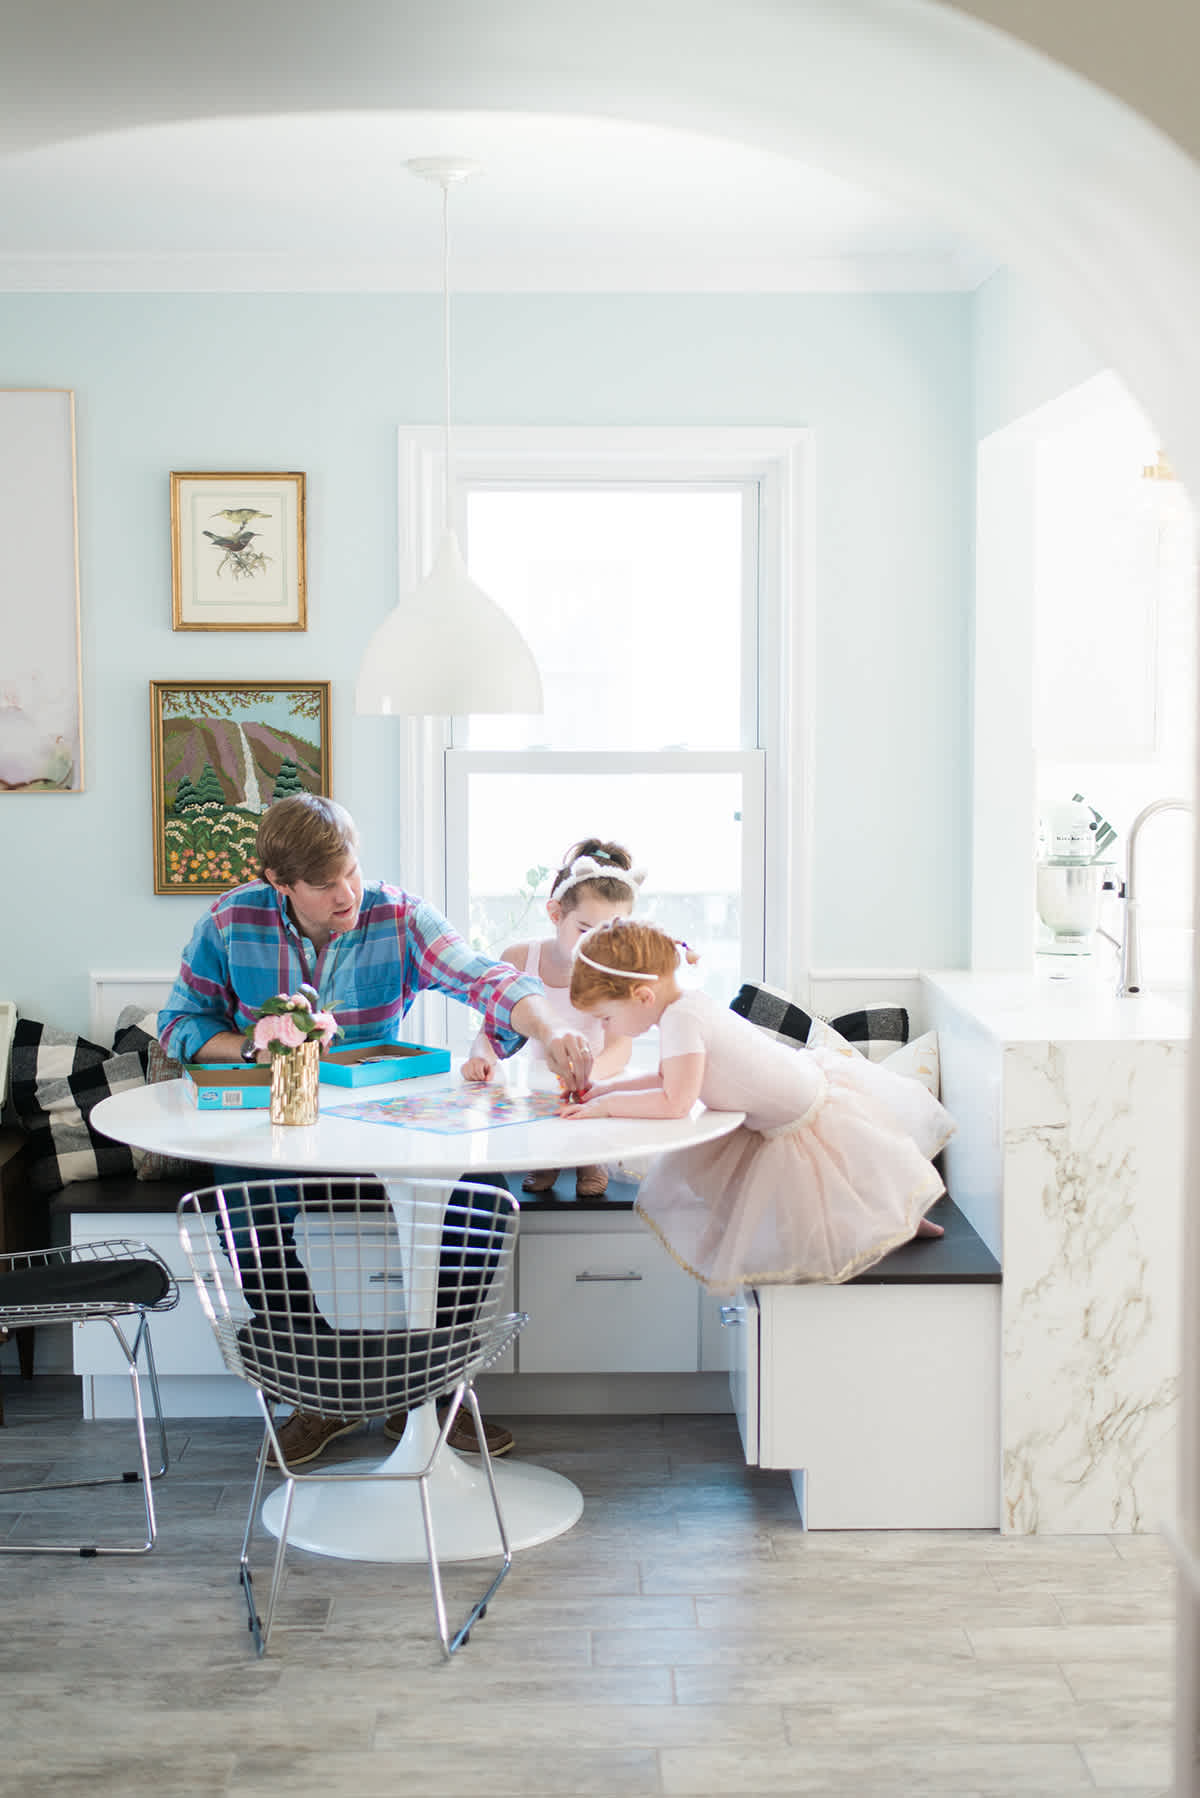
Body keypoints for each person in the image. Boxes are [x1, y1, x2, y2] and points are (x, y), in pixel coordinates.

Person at [158, 793, 596, 1466]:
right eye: (325, 883)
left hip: (378, 1129)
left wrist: (553, 1026)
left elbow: (487, 981)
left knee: (486, 1195)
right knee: (235, 1203)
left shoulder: (399, 916)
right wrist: (253, 1043)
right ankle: (320, 1390)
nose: (348, 894)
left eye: (352, 872)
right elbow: (180, 1023)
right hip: (277, 1126)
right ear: (279, 882)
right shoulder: (229, 922)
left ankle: (430, 1391)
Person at [560, 919, 954, 1293]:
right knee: (852, 1176)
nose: (604, 1028)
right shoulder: (684, 1007)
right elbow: (667, 1076)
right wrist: (603, 1089)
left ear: (641, 996)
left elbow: (675, 1101)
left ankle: (901, 1222)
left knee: (846, 1185)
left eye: (606, 1017)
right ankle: (903, 1219)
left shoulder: (681, 1020)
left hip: (797, 1114)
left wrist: (607, 1106)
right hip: (785, 1100)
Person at [461, 838, 643, 1199]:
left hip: (594, 1078)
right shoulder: (520, 958)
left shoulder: (617, 972)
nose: (596, 945)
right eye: (584, 930)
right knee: (534, 1109)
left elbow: (621, 1048)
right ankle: (547, 1159)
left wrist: (587, 1078)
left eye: (612, 932)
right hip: (540, 1085)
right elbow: (491, 1031)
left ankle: (592, 1160)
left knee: (588, 1108)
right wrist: (481, 1056)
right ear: (556, 913)